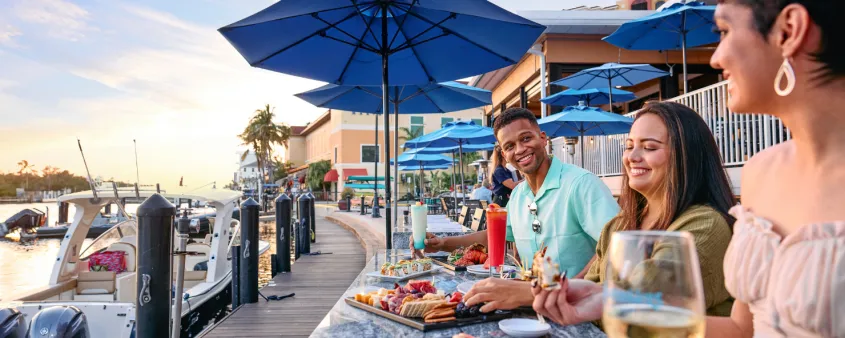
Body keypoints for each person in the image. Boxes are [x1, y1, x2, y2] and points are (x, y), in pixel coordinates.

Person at [537, 1, 845, 336]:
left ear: (789, 30)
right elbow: (745, 329)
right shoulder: (762, 170)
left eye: (724, 32)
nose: (715, 58)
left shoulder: (703, 222)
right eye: (630, 146)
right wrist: (611, 302)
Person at [531, 101, 738, 326]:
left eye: (649, 147)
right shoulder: (618, 225)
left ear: (687, 156)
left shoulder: (705, 225)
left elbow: (647, 296)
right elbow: (593, 293)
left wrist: (526, 293)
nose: (632, 157)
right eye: (629, 146)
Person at [413, 107, 620, 312]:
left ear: (542, 138)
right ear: (504, 154)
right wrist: (442, 243)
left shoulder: (581, 184)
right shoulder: (519, 194)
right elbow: (493, 237)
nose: (520, 149)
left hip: (580, 310)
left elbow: (616, 247)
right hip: (533, 308)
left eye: (526, 139)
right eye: (510, 146)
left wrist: (566, 291)